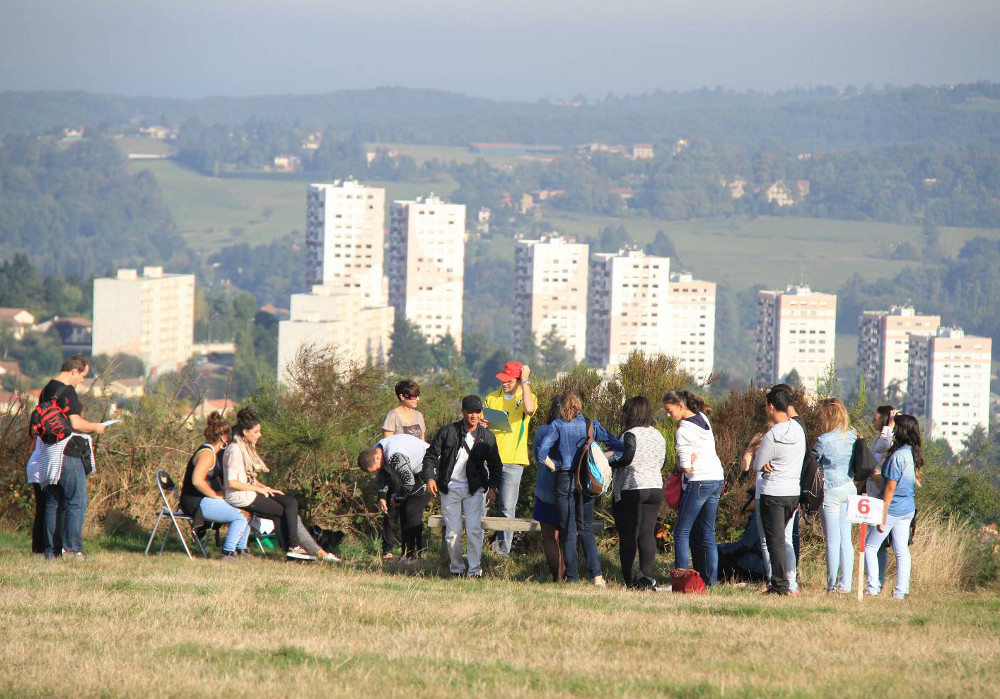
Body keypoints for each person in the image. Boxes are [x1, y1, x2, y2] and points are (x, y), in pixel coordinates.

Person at [223, 408, 338, 562]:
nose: (260, 435)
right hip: (239, 496)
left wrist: (266, 488)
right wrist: (258, 489)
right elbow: (232, 483)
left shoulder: (246, 448)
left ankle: (293, 549)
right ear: (245, 432)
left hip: (249, 492)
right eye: (256, 432)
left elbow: (248, 478)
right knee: (284, 511)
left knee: (289, 502)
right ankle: (294, 547)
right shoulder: (235, 449)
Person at [536, 390, 623, 586]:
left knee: (567, 530)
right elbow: (619, 448)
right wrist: (599, 458)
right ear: (579, 406)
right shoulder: (590, 425)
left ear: (561, 407)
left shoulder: (556, 426)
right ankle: (597, 575)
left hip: (564, 479)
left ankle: (573, 578)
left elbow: (541, 454)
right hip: (585, 480)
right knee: (586, 529)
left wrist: (555, 467)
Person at [29, 356, 106, 560]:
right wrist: (96, 427)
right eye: (82, 375)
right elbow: (76, 423)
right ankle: (73, 549)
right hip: (68, 451)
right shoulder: (68, 392)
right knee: (77, 501)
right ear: (74, 371)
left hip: (48, 452)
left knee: (53, 502)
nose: (81, 380)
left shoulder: (46, 390)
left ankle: (51, 552)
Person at [422, 395, 503, 578]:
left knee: (475, 530)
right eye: (469, 412)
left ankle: (474, 571)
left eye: (477, 412)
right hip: (449, 488)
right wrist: (429, 478)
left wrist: (493, 488)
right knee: (453, 533)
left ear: (480, 412)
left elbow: (496, 465)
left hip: (475, 489)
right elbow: (430, 456)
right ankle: (456, 569)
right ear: (462, 412)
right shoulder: (447, 431)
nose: (473, 416)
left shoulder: (487, 437)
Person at [663, 390, 724, 587]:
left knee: (681, 531)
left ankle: (682, 580)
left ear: (681, 406)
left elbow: (686, 467)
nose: (668, 415)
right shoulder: (703, 418)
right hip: (717, 478)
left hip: (699, 481)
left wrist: (681, 465)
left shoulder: (683, 431)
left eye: (669, 410)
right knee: (708, 532)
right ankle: (710, 582)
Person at [752, 385, 806, 595]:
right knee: (784, 539)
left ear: (771, 407)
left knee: (774, 541)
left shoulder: (773, 434)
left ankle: (780, 584)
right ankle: (787, 582)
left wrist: (765, 461)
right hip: (793, 491)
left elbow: (758, 464)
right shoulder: (798, 430)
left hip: (773, 491)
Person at [610, 396, 665, 590]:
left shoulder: (630, 434)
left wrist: (609, 463)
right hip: (655, 487)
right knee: (647, 534)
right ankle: (645, 577)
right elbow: (662, 462)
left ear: (631, 413)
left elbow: (626, 458)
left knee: (628, 535)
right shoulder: (658, 435)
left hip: (632, 488)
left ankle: (629, 580)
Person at [179, 411, 250, 559]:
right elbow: (197, 480)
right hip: (196, 502)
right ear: (224, 438)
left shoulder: (212, 452)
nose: (232, 439)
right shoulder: (207, 454)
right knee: (240, 517)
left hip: (203, 500)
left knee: (246, 511)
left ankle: (241, 549)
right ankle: (228, 552)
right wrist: (215, 495)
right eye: (230, 436)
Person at [865, 413, 921, 599]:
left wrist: (882, 514)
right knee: (901, 550)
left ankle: (873, 588)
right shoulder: (912, 454)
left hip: (892, 508)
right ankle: (901, 590)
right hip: (907, 508)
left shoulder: (897, 456)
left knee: (870, 547)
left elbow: (889, 487)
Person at [483, 361, 536, 557]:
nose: (504, 383)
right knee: (481, 506)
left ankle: (502, 553)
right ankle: (477, 550)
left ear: (518, 380)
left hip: (513, 462)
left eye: (509, 380)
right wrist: (483, 423)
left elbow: (529, 409)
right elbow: (480, 425)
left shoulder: (526, 396)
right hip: (489, 460)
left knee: (507, 508)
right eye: (502, 379)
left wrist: (526, 381)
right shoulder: (491, 398)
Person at [358, 432, 430, 562]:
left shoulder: (394, 455)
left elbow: (409, 482)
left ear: (376, 459)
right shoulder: (377, 449)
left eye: (374, 469)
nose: (377, 471)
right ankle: (407, 555)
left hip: (430, 469)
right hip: (415, 473)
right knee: (403, 510)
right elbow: (384, 474)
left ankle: (415, 557)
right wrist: (382, 496)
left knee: (411, 511)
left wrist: (397, 497)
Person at [812, 398, 858, 593]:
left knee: (832, 540)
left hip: (830, 491)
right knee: (846, 539)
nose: (820, 416)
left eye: (822, 413)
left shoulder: (823, 440)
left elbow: (811, 462)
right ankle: (845, 584)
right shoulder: (853, 435)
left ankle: (831, 585)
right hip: (849, 488)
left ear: (829, 414)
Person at [380, 379, 426, 559]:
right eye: (413, 396)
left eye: (417, 395)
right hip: (397, 469)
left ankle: (414, 551)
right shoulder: (392, 416)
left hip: (417, 469)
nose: (417, 399)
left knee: (412, 512)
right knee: (392, 510)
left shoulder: (419, 416)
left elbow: (423, 440)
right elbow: (386, 445)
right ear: (402, 397)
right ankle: (388, 550)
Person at [531, 397, 565, 582]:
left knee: (549, 537)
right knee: (566, 537)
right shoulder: (578, 429)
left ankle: (557, 577)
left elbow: (538, 455)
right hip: (570, 492)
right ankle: (570, 574)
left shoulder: (543, 431)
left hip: (546, 491)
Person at [869, 405, 896, 589]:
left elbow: (884, 445)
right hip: (871, 490)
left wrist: (890, 425)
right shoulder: (880, 437)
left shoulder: (887, 438)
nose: (873, 421)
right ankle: (878, 580)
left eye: (877, 418)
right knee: (878, 544)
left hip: (879, 493)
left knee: (877, 542)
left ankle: (877, 581)